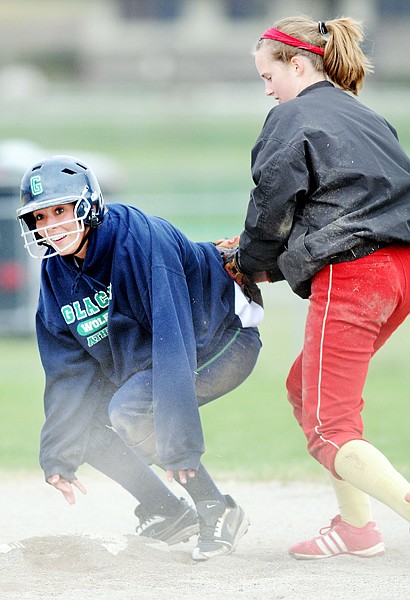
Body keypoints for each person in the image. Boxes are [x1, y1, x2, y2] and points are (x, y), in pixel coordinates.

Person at [219, 15, 410, 559]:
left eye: (268, 75)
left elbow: (273, 208)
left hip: (357, 276)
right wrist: (263, 263)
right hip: (400, 272)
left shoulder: (290, 116)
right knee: (306, 388)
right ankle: (356, 528)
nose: (267, 88)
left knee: (328, 428)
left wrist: (247, 262)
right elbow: (337, 219)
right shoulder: (367, 116)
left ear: (297, 65)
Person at [16, 154, 263, 562]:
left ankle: (217, 507)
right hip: (158, 351)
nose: (51, 226)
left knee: (130, 410)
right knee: (84, 423)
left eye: (60, 210)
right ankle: (167, 511)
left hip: (220, 338)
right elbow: (66, 368)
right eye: (40, 217)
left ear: (89, 205)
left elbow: (173, 339)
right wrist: (60, 452)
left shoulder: (140, 242)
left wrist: (178, 445)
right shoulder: (55, 272)